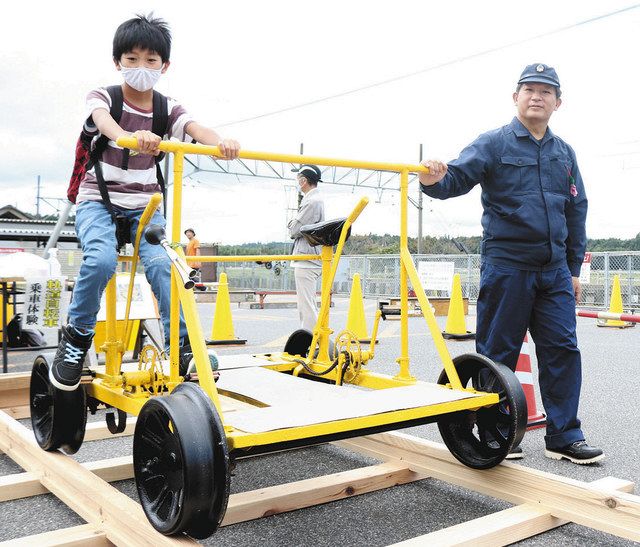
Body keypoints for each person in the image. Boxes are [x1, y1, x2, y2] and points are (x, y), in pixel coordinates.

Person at [419, 63, 603, 465]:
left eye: (546, 91)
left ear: (558, 102)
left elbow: (576, 210)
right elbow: (455, 180)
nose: (537, 97)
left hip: (554, 270)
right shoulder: (494, 143)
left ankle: (564, 436)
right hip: (508, 266)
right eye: (529, 90)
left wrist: (573, 269)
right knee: (497, 351)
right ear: (515, 97)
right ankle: (498, 431)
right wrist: (433, 178)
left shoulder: (563, 152)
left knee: (562, 349)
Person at [50, 14, 240, 391]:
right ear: (118, 61)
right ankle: (76, 338)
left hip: (144, 206)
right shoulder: (104, 96)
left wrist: (220, 143)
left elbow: (195, 129)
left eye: (151, 60)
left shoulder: (166, 108)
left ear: (164, 66)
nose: (141, 67)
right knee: (101, 259)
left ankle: (182, 346)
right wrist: (129, 136)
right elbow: (104, 123)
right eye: (132, 59)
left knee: (164, 266)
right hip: (98, 201)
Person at [287, 164, 325, 332]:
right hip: (309, 258)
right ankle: (313, 339)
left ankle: (311, 340)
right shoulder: (314, 200)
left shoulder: (312, 201)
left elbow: (294, 230)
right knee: (307, 304)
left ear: (303, 181)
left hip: (306, 259)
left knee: (306, 306)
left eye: (298, 179)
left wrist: (292, 223)